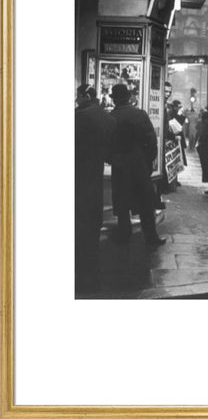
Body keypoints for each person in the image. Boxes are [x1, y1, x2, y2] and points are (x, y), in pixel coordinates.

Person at [110, 83, 166, 246]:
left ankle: (124, 235)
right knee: (145, 203)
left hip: (119, 164)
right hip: (138, 163)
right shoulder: (139, 114)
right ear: (128, 98)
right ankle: (151, 237)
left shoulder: (111, 117)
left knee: (122, 202)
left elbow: (107, 144)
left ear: (114, 101)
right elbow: (151, 140)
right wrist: (148, 161)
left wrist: (112, 159)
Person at [75, 84, 115, 292]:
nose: (76, 100)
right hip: (95, 172)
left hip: (78, 172)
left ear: (84, 96)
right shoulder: (106, 116)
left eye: (77, 96)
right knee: (91, 215)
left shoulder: (80, 116)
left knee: (79, 215)